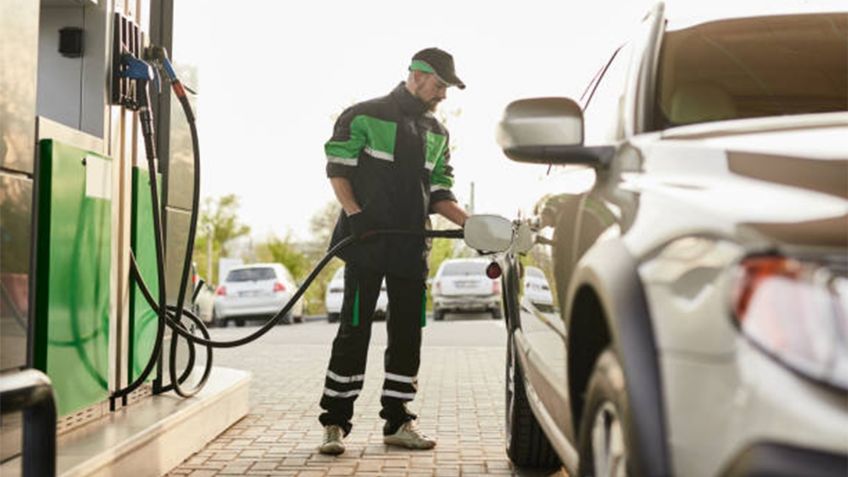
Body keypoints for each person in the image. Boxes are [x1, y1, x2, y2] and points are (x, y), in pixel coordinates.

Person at [318, 47, 470, 455]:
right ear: (417, 75)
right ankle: (334, 423)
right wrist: (355, 214)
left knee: (407, 335)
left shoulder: (437, 133)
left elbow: (440, 193)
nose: (443, 95)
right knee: (354, 331)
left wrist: (473, 225)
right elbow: (338, 170)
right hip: (365, 243)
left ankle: (398, 421)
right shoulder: (363, 116)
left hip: (411, 248)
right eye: (440, 85)